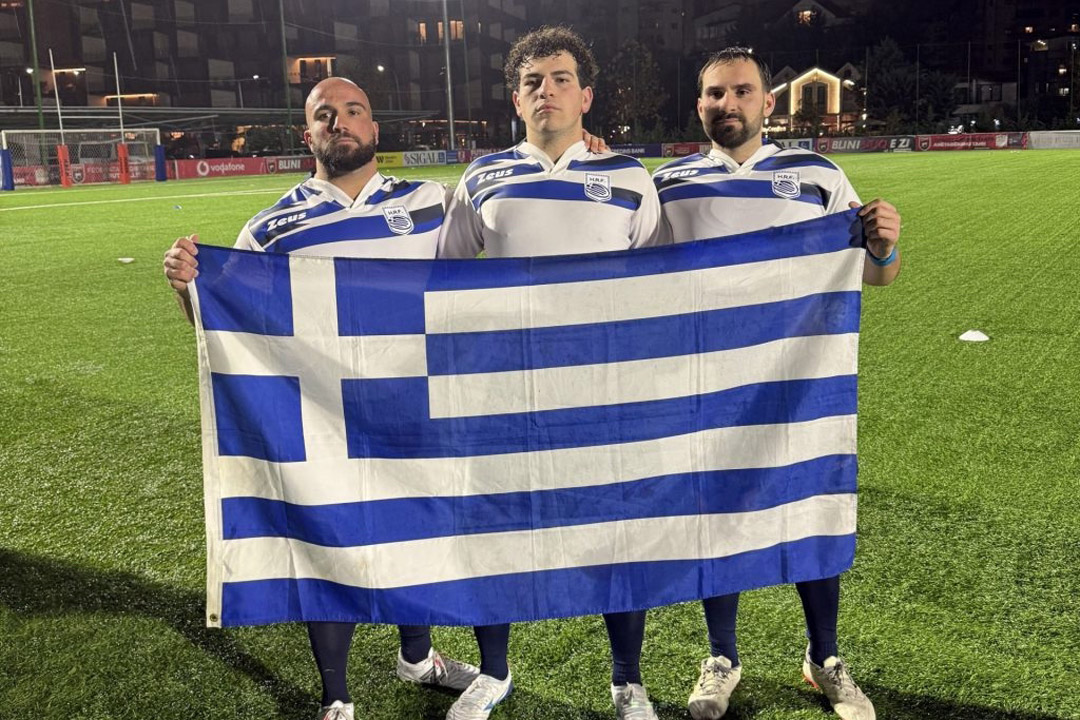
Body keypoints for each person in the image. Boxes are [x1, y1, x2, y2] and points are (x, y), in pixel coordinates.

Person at [162, 76, 480, 720]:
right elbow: (225, 321)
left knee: (414, 535)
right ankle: (337, 696)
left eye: (354, 111)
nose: (341, 122)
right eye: (325, 115)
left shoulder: (432, 201)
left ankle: (416, 656)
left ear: (375, 128)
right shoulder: (271, 228)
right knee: (326, 545)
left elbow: (498, 244)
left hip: (414, 401)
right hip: (321, 416)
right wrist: (186, 286)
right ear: (308, 133)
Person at [652, 48, 901, 720]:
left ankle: (824, 659)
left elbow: (876, 274)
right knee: (718, 518)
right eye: (712, 94)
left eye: (740, 92)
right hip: (709, 388)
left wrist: (885, 244)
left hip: (798, 385)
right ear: (698, 103)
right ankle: (722, 658)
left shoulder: (819, 175)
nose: (725, 105)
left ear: (767, 103)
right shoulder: (667, 184)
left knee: (809, 509)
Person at [437, 25, 665, 720]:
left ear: (586, 95)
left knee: (615, 536)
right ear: (516, 98)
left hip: (603, 390)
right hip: (507, 391)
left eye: (561, 78)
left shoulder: (628, 177)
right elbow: (439, 281)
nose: (547, 90)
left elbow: (665, 282)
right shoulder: (482, 178)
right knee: (496, 529)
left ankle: (627, 680)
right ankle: (495, 673)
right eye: (533, 81)